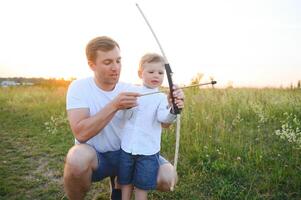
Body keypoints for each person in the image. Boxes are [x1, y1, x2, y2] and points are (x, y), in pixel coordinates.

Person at [63, 36, 184, 200]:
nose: (116, 68)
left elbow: (163, 124)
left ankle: (119, 184)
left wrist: (172, 106)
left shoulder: (132, 89)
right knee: (76, 158)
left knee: (168, 178)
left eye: (118, 61)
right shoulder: (79, 87)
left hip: (129, 153)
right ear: (92, 65)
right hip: (97, 157)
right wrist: (114, 105)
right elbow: (81, 133)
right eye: (108, 62)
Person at [118, 53, 182, 200]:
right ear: (140, 73)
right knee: (125, 183)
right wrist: (127, 107)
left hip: (148, 152)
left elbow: (163, 117)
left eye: (160, 73)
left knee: (142, 186)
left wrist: (173, 110)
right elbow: (125, 117)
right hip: (127, 148)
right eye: (151, 72)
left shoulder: (160, 98)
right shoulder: (133, 92)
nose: (156, 76)